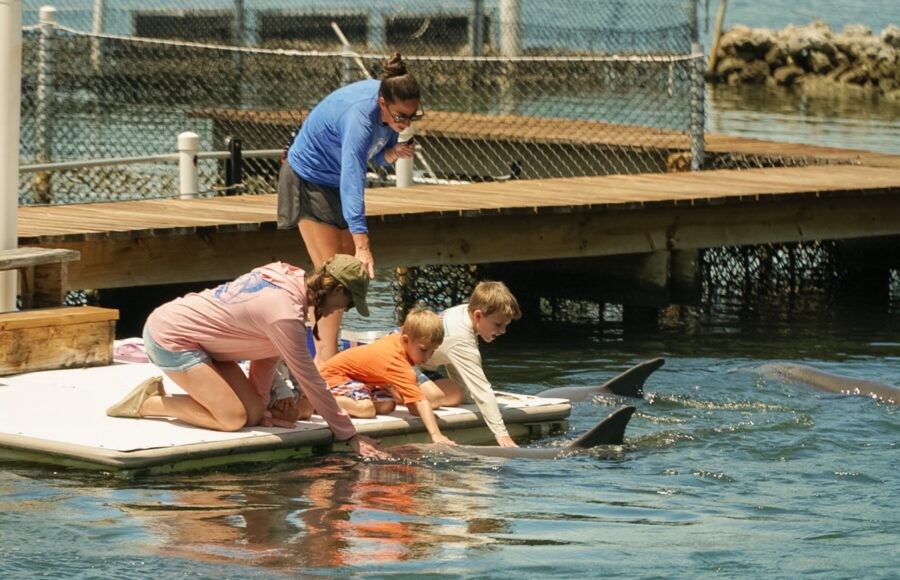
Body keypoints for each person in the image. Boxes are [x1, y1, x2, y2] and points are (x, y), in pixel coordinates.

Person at [105, 254, 388, 459]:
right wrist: (349, 435)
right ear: (338, 289)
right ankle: (149, 403)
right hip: (171, 336)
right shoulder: (285, 313)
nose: (344, 310)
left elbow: (265, 354)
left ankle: (242, 407)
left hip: (209, 345)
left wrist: (263, 407)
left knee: (252, 415)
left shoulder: (288, 277)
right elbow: (311, 380)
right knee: (231, 418)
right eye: (349, 304)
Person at [277, 52, 423, 364]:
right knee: (332, 277)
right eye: (400, 117)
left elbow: (376, 153)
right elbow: (353, 176)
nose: (406, 123)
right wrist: (363, 244)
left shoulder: (392, 107)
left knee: (345, 275)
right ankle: (324, 361)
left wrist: (391, 153)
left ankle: (322, 350)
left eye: (412, 117)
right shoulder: (360, 116)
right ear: (382, 103)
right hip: (308, 178)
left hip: (333, 181)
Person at [317, 307, 457, 445]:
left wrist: (415, 408)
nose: (428, 357)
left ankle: (334, 401)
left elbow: (413, 400)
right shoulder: (396, 361)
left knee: (389, 405)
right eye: (423, 350)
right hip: (334, 378)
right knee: (367, 409)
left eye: (433, 351)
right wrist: (436, 434)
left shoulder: (398, 342)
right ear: (406, 339)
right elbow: (421, 401)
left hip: (358, 380)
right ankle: (317, 401)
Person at [415, 281, 523, 448]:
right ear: (478, 316)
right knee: (436, 397)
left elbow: (454, 359)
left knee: (458, 395)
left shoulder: (466, 311)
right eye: (498, 325)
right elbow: (482, 389)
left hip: (421, 367)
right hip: (399, 363)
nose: (503, 331)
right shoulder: (461, 339)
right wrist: (502, 435)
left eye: (505, 326)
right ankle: (386, 391)